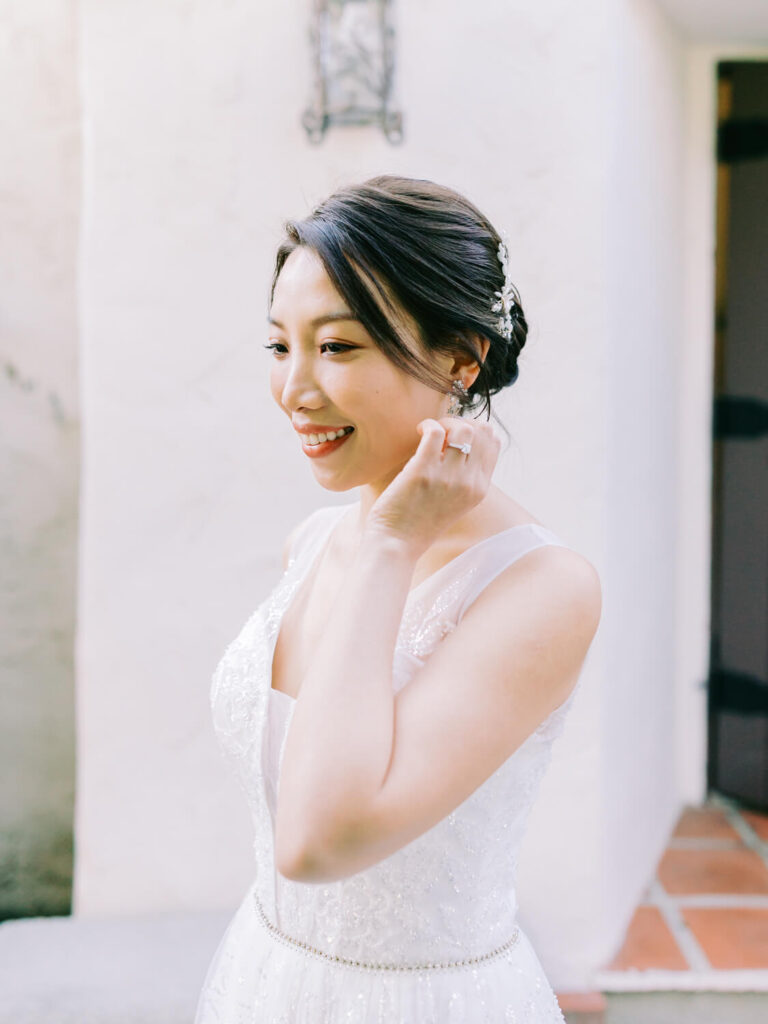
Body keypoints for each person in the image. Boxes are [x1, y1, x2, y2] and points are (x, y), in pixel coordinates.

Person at [195, 175, 602, 1023]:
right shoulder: (308, 545)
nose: (296, 389)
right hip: (263, 982)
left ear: (462, 357)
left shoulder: (544, 590)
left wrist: (392, 540)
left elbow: (318, 840)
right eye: (281, 347)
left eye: (338, 348)